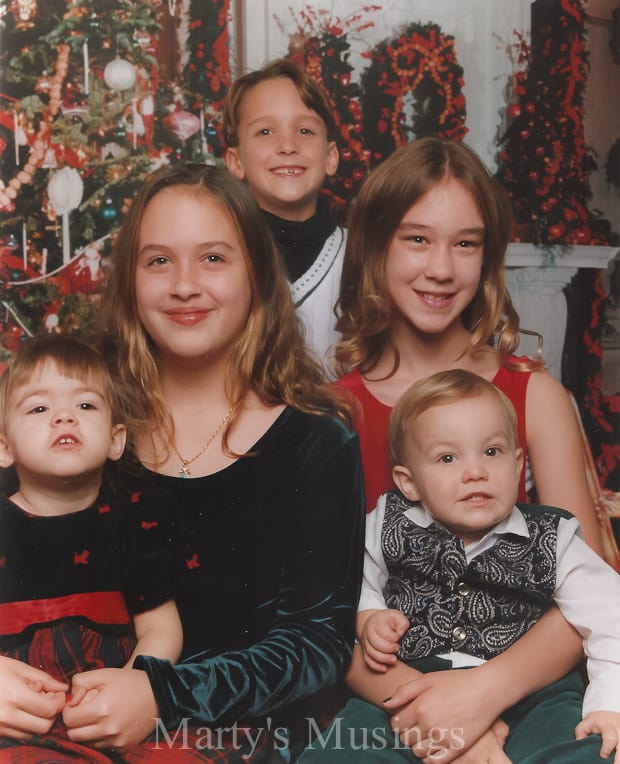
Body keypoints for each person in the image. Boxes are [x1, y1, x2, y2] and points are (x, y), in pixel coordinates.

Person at [35, 164, 365, 763]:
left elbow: (319, 643)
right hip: (60, 725)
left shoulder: (316, 442)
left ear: (258, 277)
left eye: (213, 258)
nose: (185, 285)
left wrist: (164, 696)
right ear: (130, 281)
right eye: (158, 261)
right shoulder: (69, 423)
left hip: (242, 735)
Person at [300, 369, 620, 763]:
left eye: (492, 451)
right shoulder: (388, 523)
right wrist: (369, 617)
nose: (475, 471)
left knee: (585, 751)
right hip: (411, 684)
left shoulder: (553, 535)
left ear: (518, 464)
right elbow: (347, 579)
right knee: (340, 754)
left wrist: (610, 702)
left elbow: (611, 613)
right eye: (448, 457)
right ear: (409, 482)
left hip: (534, 693)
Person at [335, 136, 603, 556]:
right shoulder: (338, 409)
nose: (441, 270)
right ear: (375, 247)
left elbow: (593, 582)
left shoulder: (534, 395)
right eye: (418, 240)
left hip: (527, 622)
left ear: (486, 257)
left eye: (465, 244)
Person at [0, 332, 189, 762]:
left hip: (112, 710)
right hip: (17, 717)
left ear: (115, 440)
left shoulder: (136, 518)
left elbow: (161, 628)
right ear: (4, 447)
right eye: (39, 407)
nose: (64, 418)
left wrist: (139, 685)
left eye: (85, 405)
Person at [223, 58, 345, 368]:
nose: (287, 146)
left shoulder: (363, 255)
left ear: (330, 157)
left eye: (304, 130)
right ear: (236, 161)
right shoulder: (217, 257)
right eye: (265, 132)